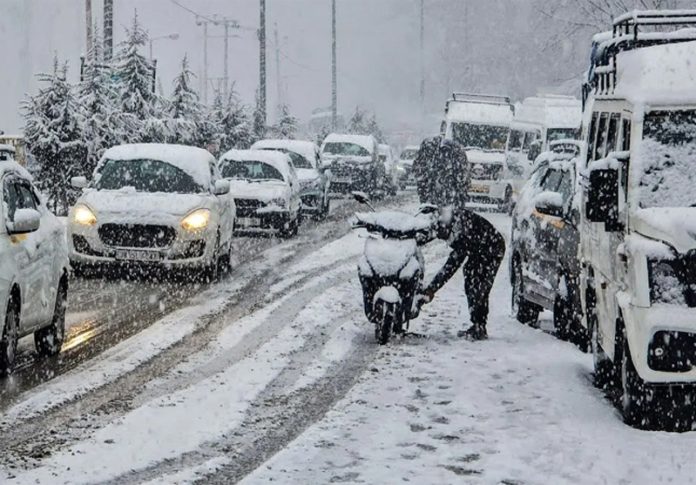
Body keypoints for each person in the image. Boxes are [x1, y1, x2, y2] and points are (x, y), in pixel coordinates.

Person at [412, 135, 506, 340]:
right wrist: (413, 240)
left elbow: (451, 266)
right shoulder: (448, 220)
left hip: (493, 248)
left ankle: (479, 326)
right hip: (481, 246)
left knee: (478, 284)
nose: (442, 237)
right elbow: (432, 232)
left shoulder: (461, 233)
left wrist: (431, 289)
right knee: (471, 278)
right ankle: (477, 324)